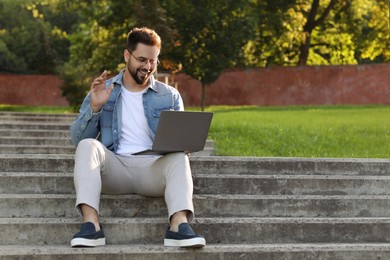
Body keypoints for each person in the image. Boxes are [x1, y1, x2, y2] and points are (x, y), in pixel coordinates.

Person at [69, 27, 205, 248]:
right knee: (87, 146)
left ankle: (178, 227)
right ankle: (91, 226)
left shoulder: (169, 96)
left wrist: (184, 143)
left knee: (180, 158)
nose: (148, 67)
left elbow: (181, 142)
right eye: (142, 59)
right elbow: (77, 140)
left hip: (153, 169)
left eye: (153, 61)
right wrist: (94, 108)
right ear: (126, 56)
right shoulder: (103, 90)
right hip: (116, 168)